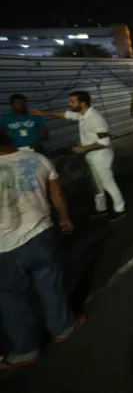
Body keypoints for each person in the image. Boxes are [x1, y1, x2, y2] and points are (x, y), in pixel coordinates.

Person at [0, 131, 84, 370]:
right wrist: (65, 219)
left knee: (11, 299)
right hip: (41, 234)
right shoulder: (37, 159)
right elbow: (57, 192)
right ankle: (63, 327)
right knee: (50, 284)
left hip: (3, 247)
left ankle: (26, 350)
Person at [33, 91, 126, 220]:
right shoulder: (83, 115)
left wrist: (83, 148)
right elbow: (66, 115)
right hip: (91, 155)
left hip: (101, 156)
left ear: (82, 103)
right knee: (96, 185)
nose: (69, 104)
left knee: (107, 183)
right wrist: (45, 113)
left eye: (72, 101)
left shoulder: (94, 118)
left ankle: (120, 209)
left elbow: (105, 142)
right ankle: (101, 209)